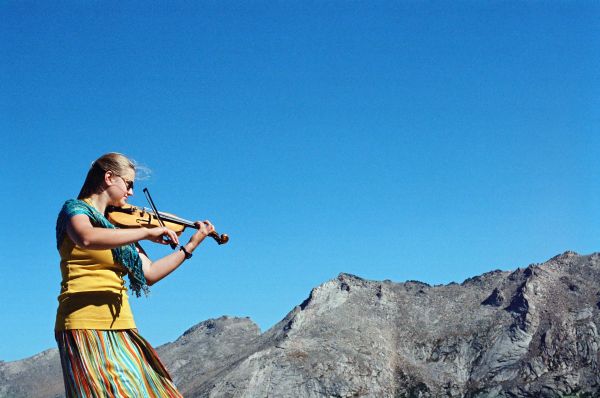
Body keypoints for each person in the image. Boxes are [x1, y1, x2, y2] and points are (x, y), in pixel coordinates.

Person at [55, 152, 214, 397]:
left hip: (123, 327)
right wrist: (144, 232)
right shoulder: (75, 211)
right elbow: (86, 237)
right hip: (85, 325)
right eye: (128, 185)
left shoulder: (118, 228)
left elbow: (149, 273)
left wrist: (190, 246)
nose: (131, 193)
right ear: (109, 178)